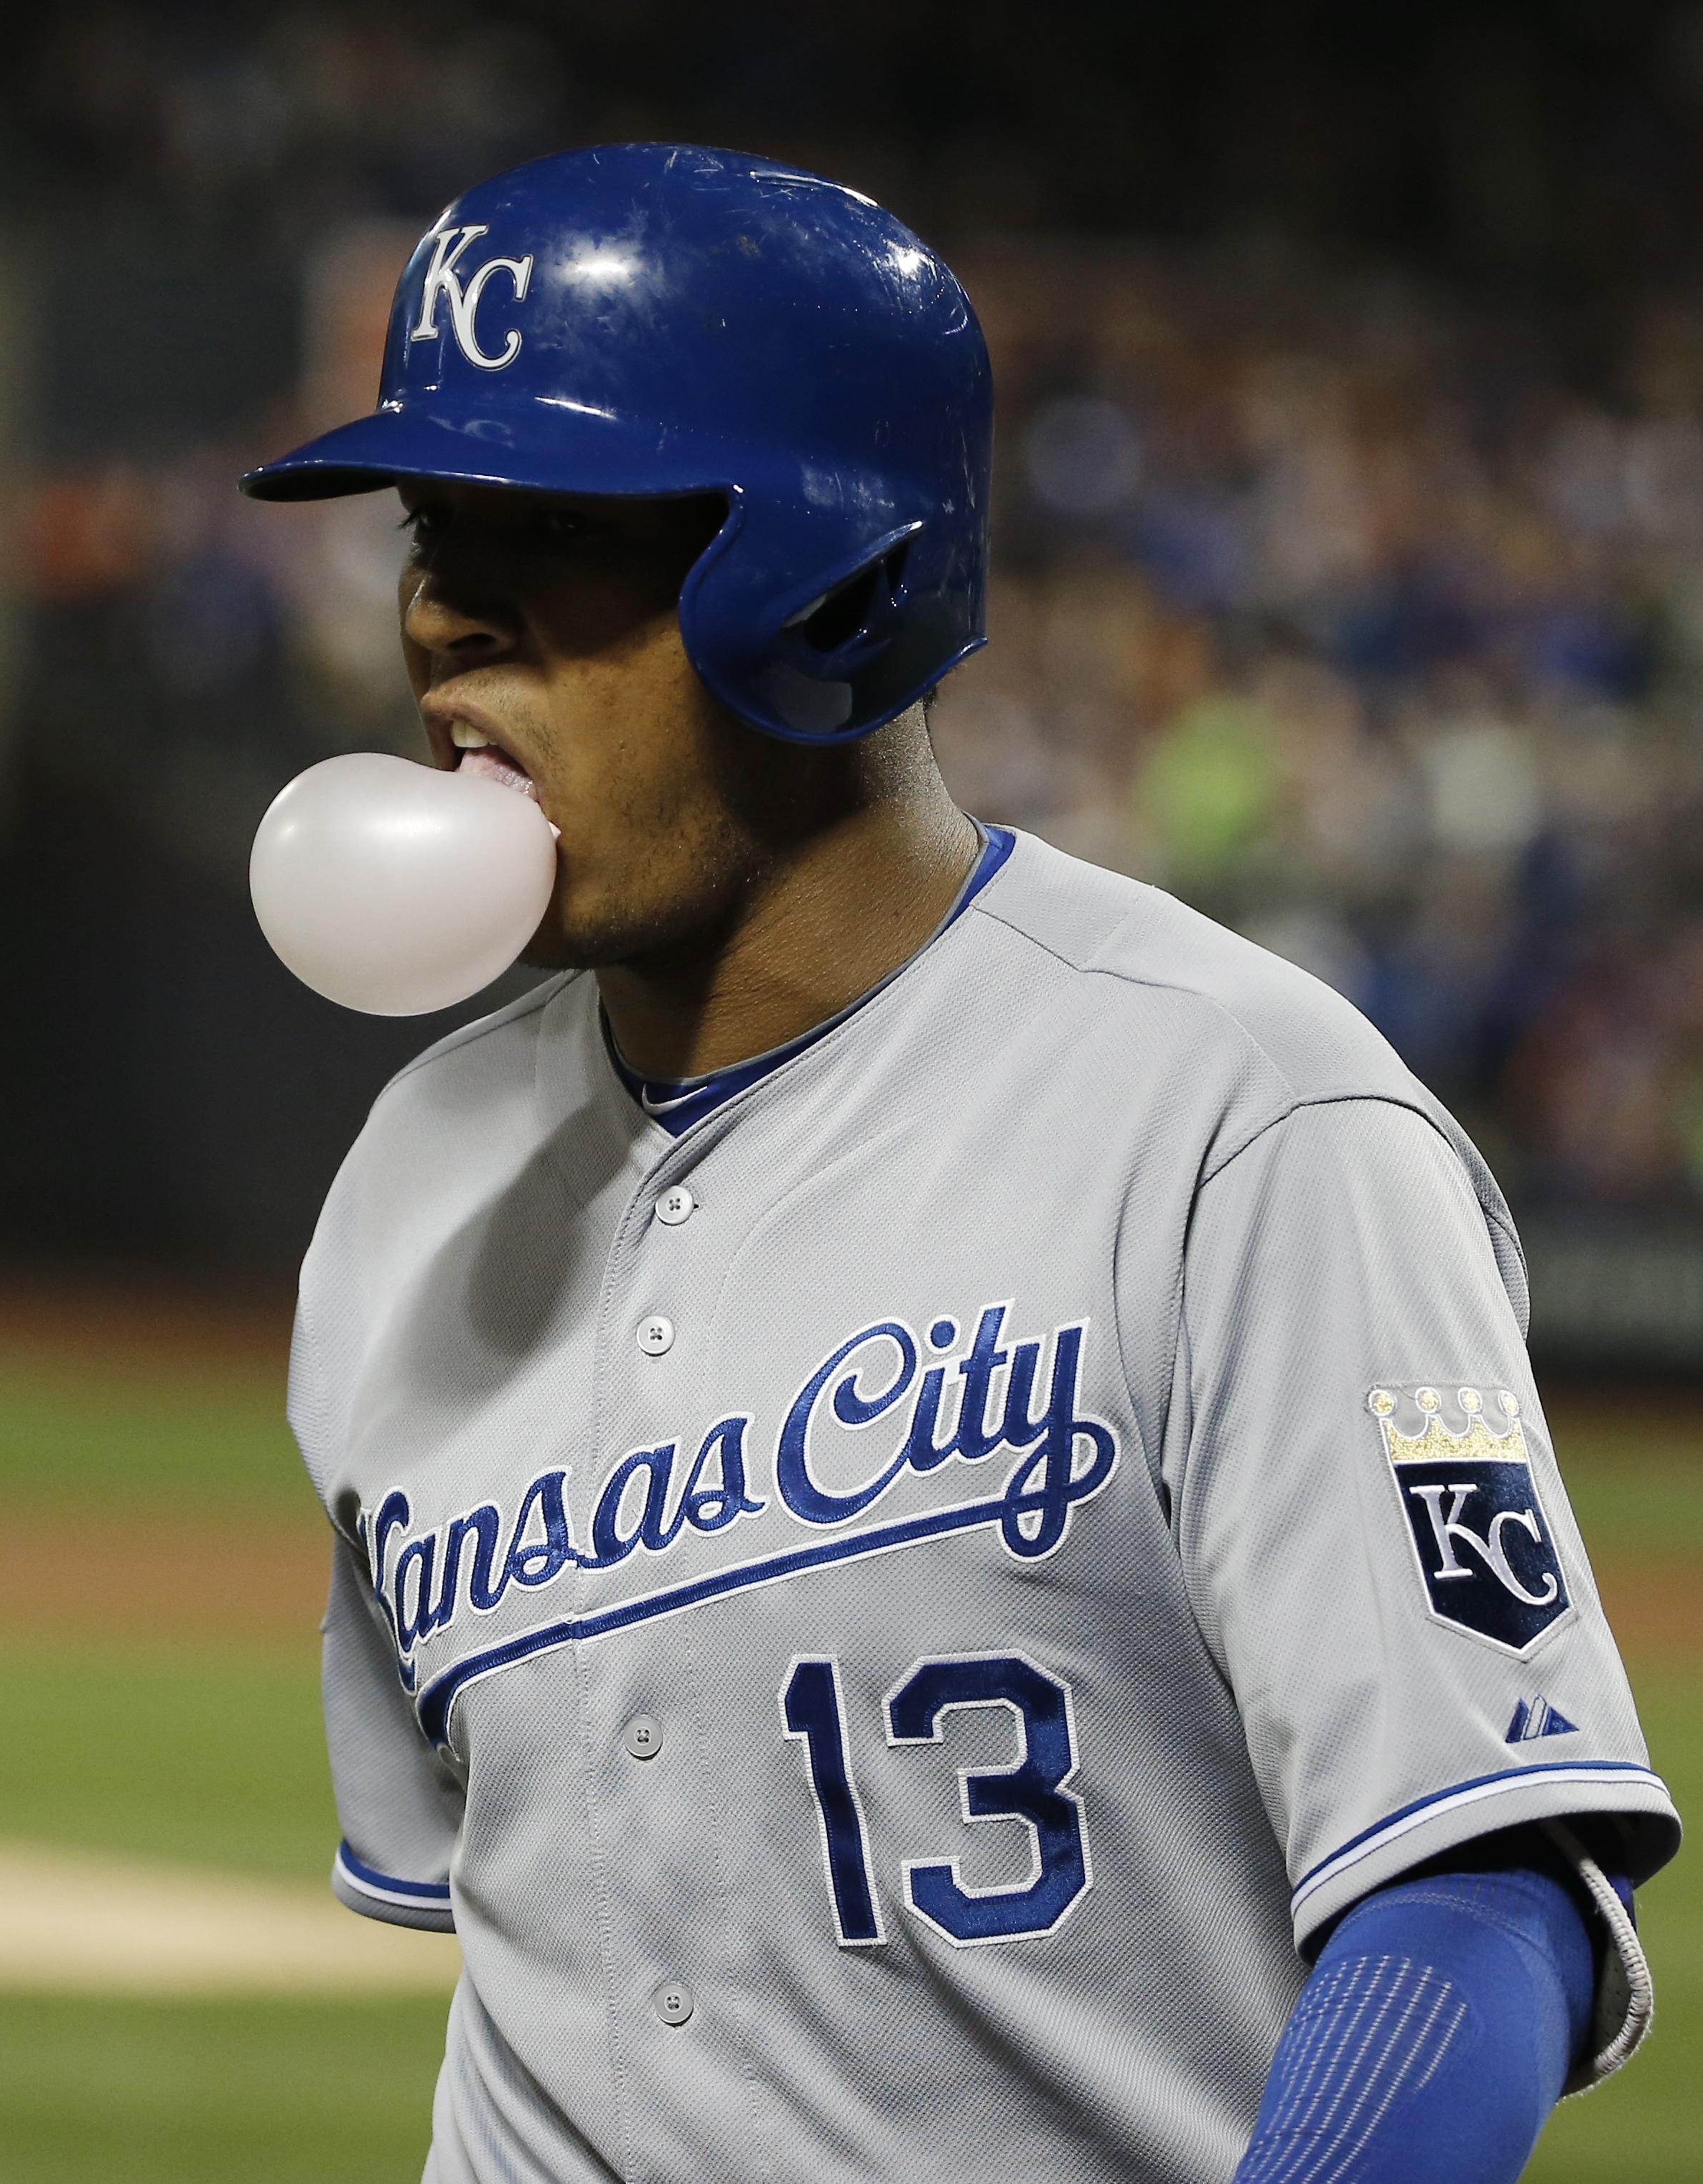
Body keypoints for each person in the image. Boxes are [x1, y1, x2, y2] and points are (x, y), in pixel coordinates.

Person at [242, 144, 1679, 2184]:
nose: (445, 616)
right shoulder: (410, 1188)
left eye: (550, 531)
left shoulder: (1235, 1115)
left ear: (835, 584)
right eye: (430, 526)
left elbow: (1483, 1889)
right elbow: (535, 1973)